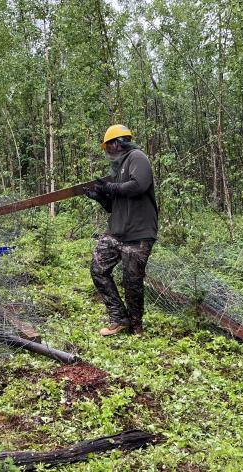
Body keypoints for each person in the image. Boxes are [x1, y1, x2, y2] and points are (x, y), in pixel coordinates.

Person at [85, 124, 158, 336]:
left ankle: (136, 328)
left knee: (132, 281)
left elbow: (138, 186)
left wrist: (109, 188)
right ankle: (119, 318)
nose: (107, 151)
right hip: (116, 232)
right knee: (98, 270)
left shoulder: (138, 158)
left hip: (138, 233)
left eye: (108, 146)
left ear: (118, 143)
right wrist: (101, 198)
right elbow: (113, 205)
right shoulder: (116, 170)